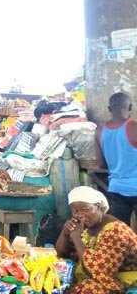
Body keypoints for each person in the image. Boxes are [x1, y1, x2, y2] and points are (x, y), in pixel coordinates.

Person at [55, 186, 137, 294]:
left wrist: (76, 236)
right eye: (75, 211)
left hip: (123, 278)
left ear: (98, 207)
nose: (80, 215)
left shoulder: (116, 231)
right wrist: (65, 233)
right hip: (98, 275)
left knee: (89, 288)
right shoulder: (85, 227)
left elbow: (98, 272)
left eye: (86, 210)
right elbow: (61, 255)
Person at [95, 92, 137, 225]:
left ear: (109, 109)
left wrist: (117, 165)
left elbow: (100, 163)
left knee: (120, 234)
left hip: (116, 188)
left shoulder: (100, 130)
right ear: (130, 107)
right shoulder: (134, 127)